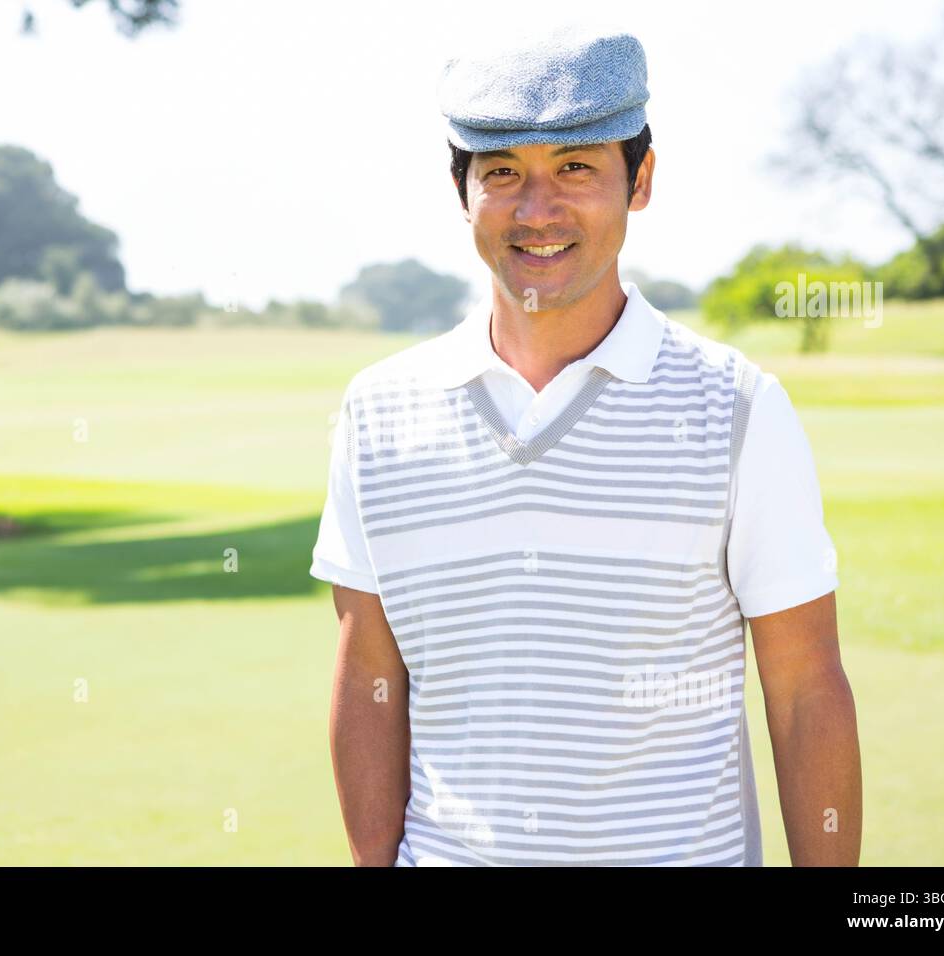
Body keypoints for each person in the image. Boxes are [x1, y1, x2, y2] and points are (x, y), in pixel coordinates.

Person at [310, 27, 861, 866]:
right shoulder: (377, 411)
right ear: (461, 190)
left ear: (640, 180)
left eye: (575, 167)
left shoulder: (739, 406)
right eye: (503, 173)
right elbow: (370, 686)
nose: (538, 210)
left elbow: (804, 689)